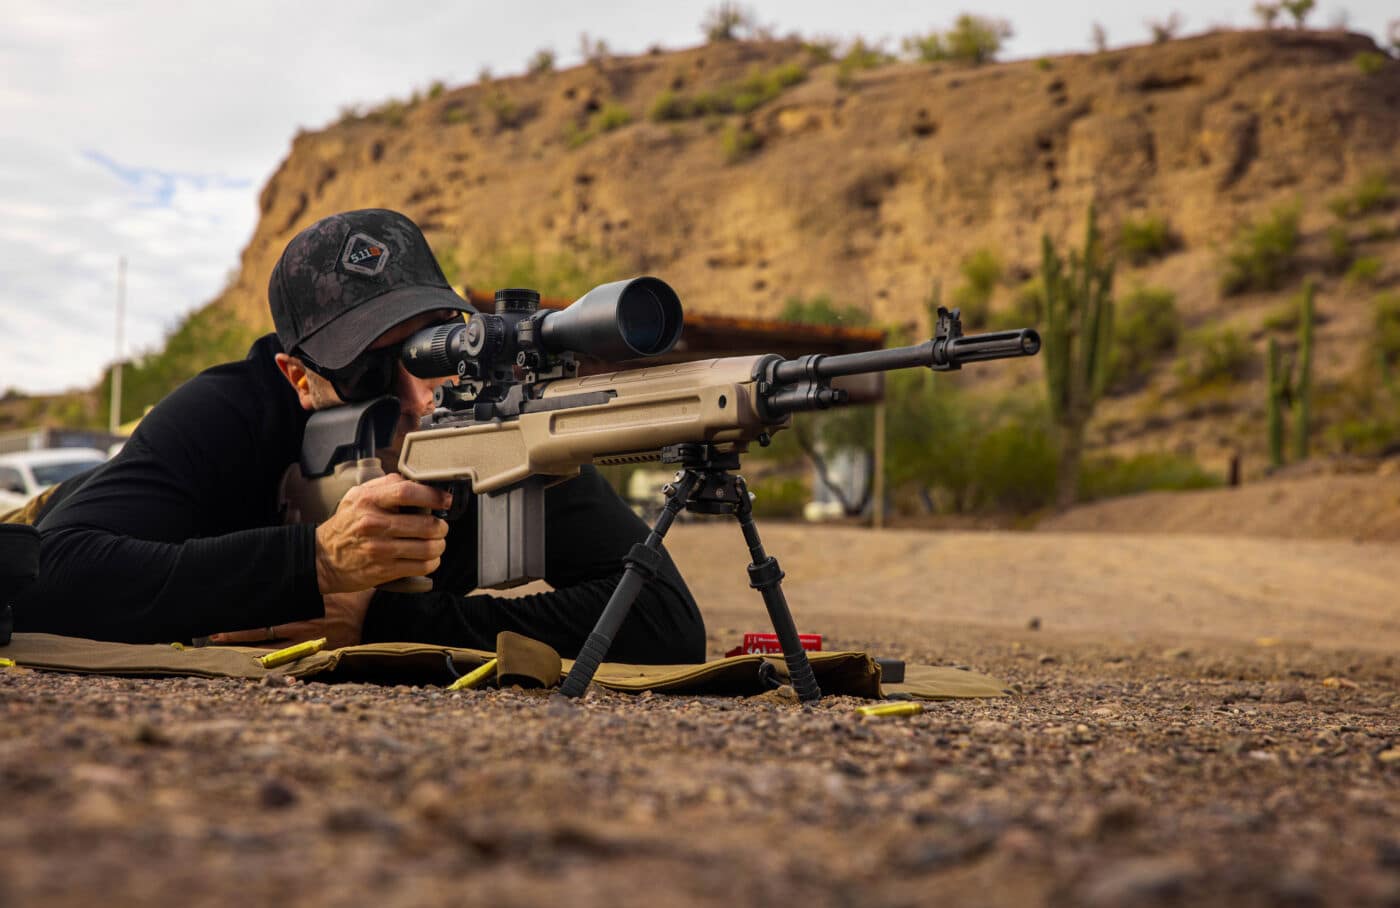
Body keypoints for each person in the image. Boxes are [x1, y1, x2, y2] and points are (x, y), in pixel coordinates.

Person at [13, 209, 705, 663]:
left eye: (434, 352)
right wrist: (311, 565)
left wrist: (389, 627)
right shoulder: (227, 412)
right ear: (298, 376)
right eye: (370, 368)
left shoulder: (496, 423)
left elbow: (667, 624)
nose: (413, 398)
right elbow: (45, 577)